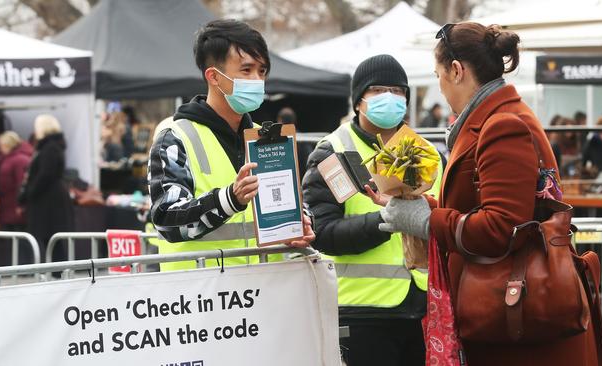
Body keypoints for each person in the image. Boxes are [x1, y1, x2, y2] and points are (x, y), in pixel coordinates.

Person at [370, 23, 602, 365]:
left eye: (438, 75)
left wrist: (426, 220)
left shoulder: (502, 124)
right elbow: (487, 208)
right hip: (512, 315)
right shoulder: (497, 117)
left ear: (456, 70)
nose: (440, 86)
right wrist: (421, 206)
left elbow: (501, 227)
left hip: (519, 322)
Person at [302, 54, 441, 366]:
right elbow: (323, 234)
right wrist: (387, 220)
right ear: (358, 101)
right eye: (378, 91)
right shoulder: (332, 152)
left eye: (398, 91)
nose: (389, 98)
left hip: (424, 307)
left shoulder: (427, 153)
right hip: (362, 311)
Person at [148, 19, 314, 272]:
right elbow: (167, 219)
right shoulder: (176, 135)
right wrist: (229, 199)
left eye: (262, 71)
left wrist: (301, 223)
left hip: (264, 290)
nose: (258, 80)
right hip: (200, 297)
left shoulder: (267, 137)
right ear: (214, 76)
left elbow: (291, 203)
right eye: (246, 70)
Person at [20, 115, 74, 262]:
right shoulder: (52, 146)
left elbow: (46, 174)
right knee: (51, 239)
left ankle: (58, 273)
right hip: (49, 198)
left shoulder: (49, 147)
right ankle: (57, 272)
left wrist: (30, 192)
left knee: (51, 238)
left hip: (48, 200)